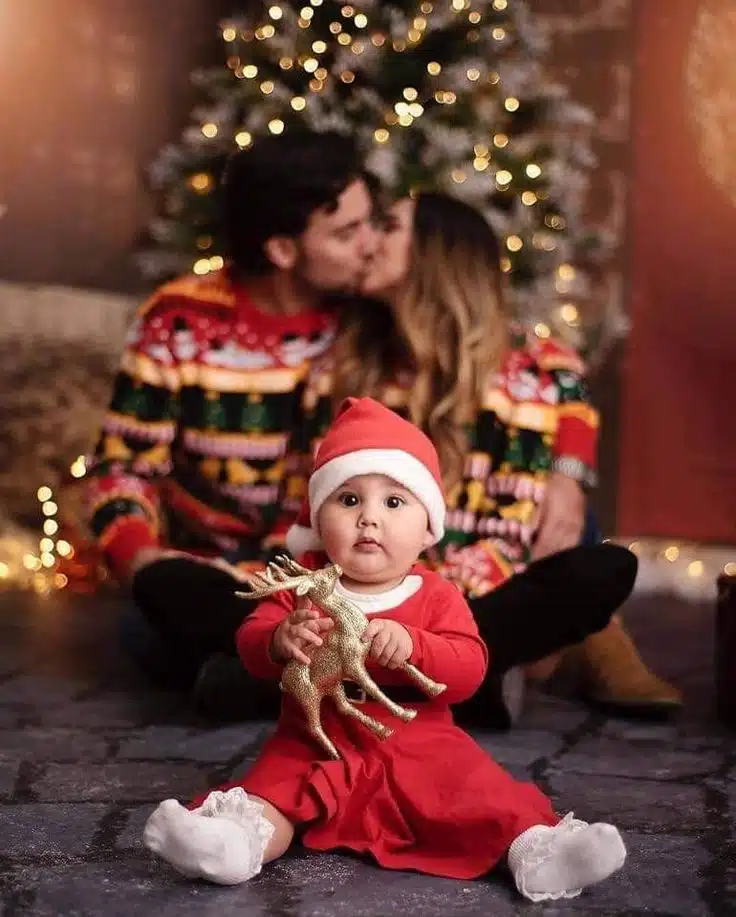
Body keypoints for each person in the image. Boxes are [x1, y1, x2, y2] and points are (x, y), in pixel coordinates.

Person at [142, 397, 627, 900]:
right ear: (317, 517)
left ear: (427, 530)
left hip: (419, 742)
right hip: (315, 740)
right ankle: (230, 844)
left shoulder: (437, 596)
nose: (369, 519)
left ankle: (539, 853)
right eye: (349, 500)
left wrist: (417, 646)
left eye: (394, 503)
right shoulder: (303, 589)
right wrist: (278, 638)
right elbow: (249, 643)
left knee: (478, 792)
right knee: (272, 789)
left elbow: (468, 668)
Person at [296, 190, 681, 719]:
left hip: (481, 583)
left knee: (600, 566)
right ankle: (473, 675)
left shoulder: (527, 372)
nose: (368, 242)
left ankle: (451, 667)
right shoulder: (353, 367)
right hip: (377, 588)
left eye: (388, 228)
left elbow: (566, 385)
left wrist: (568, 474)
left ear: (437, 252)